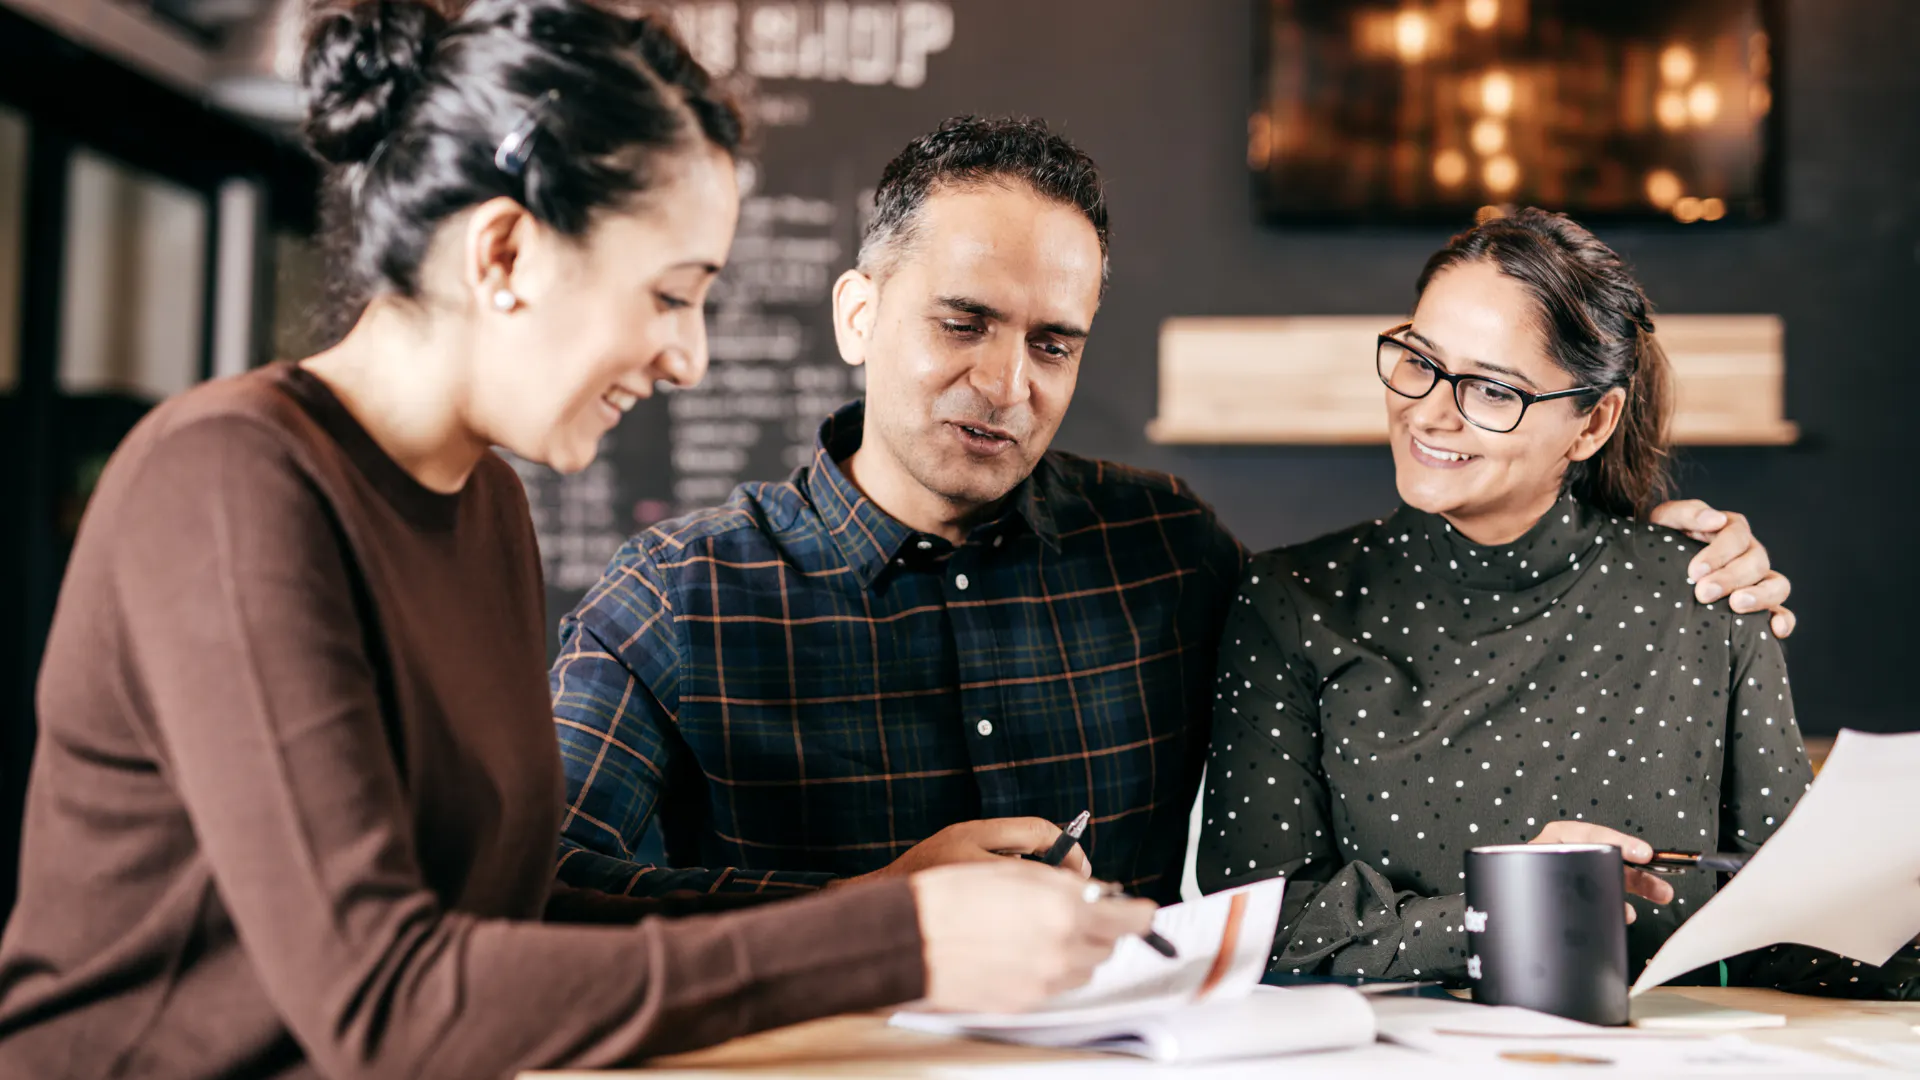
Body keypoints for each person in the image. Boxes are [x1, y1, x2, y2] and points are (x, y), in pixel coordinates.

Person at [0, 6, 1156, 1078]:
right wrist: (893, 940)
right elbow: (382, 1003)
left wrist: (879, 912)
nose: (689, 357)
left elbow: (518, 928)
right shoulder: (228, 478)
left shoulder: (485, 504)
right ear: (503, 254)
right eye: (669, 295)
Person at [550, 119, 1797, 908]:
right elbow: (543, 891)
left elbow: (1410, 649)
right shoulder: (675, 599)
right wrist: (868, 907)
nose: (1007, 384)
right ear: (857, 317)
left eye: (1055, 341)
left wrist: (1669, 545)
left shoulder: (1165, 550)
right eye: (962, 323)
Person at [1197, 207, 1920, 997]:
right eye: (1419, 361)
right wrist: (1518, 909)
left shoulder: (1708, 595)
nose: (1431, 411)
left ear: (1592, 423)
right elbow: (1259, 920)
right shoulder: (1291, 600)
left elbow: (1796, 929)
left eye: (1492, 390)